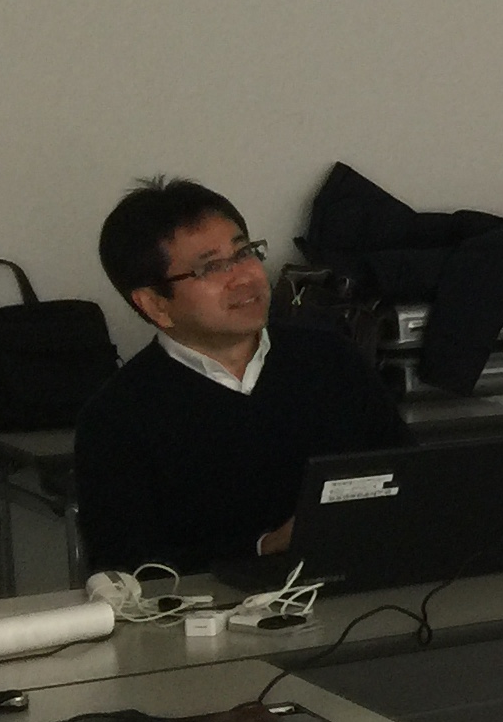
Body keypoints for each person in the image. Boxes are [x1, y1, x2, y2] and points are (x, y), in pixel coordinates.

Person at [73, 177, 408, 573]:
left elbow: (410, 478)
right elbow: (125, 567)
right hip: (210, 608)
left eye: (245, 252)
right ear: (155, 304)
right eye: (211, 267)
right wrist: (263, 547)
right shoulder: (117, 416)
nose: (245, 277)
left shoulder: (329, 357)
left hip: (360, 586)